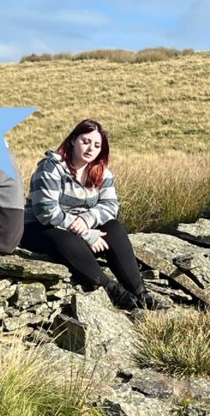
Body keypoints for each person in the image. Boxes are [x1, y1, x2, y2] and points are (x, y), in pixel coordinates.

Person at [20, 119, 160, 310]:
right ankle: (112, 290)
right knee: (69, 241)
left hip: (80, 226)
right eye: (85, 141)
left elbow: (111, 206)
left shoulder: (102, 172)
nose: (90, 148)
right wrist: (86, 233)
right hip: (40, 228)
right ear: (72, 140)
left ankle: (140, 293)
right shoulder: (51, 167)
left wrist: (87, 220)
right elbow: (46, 211)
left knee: (114, 228)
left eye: (96, 145)